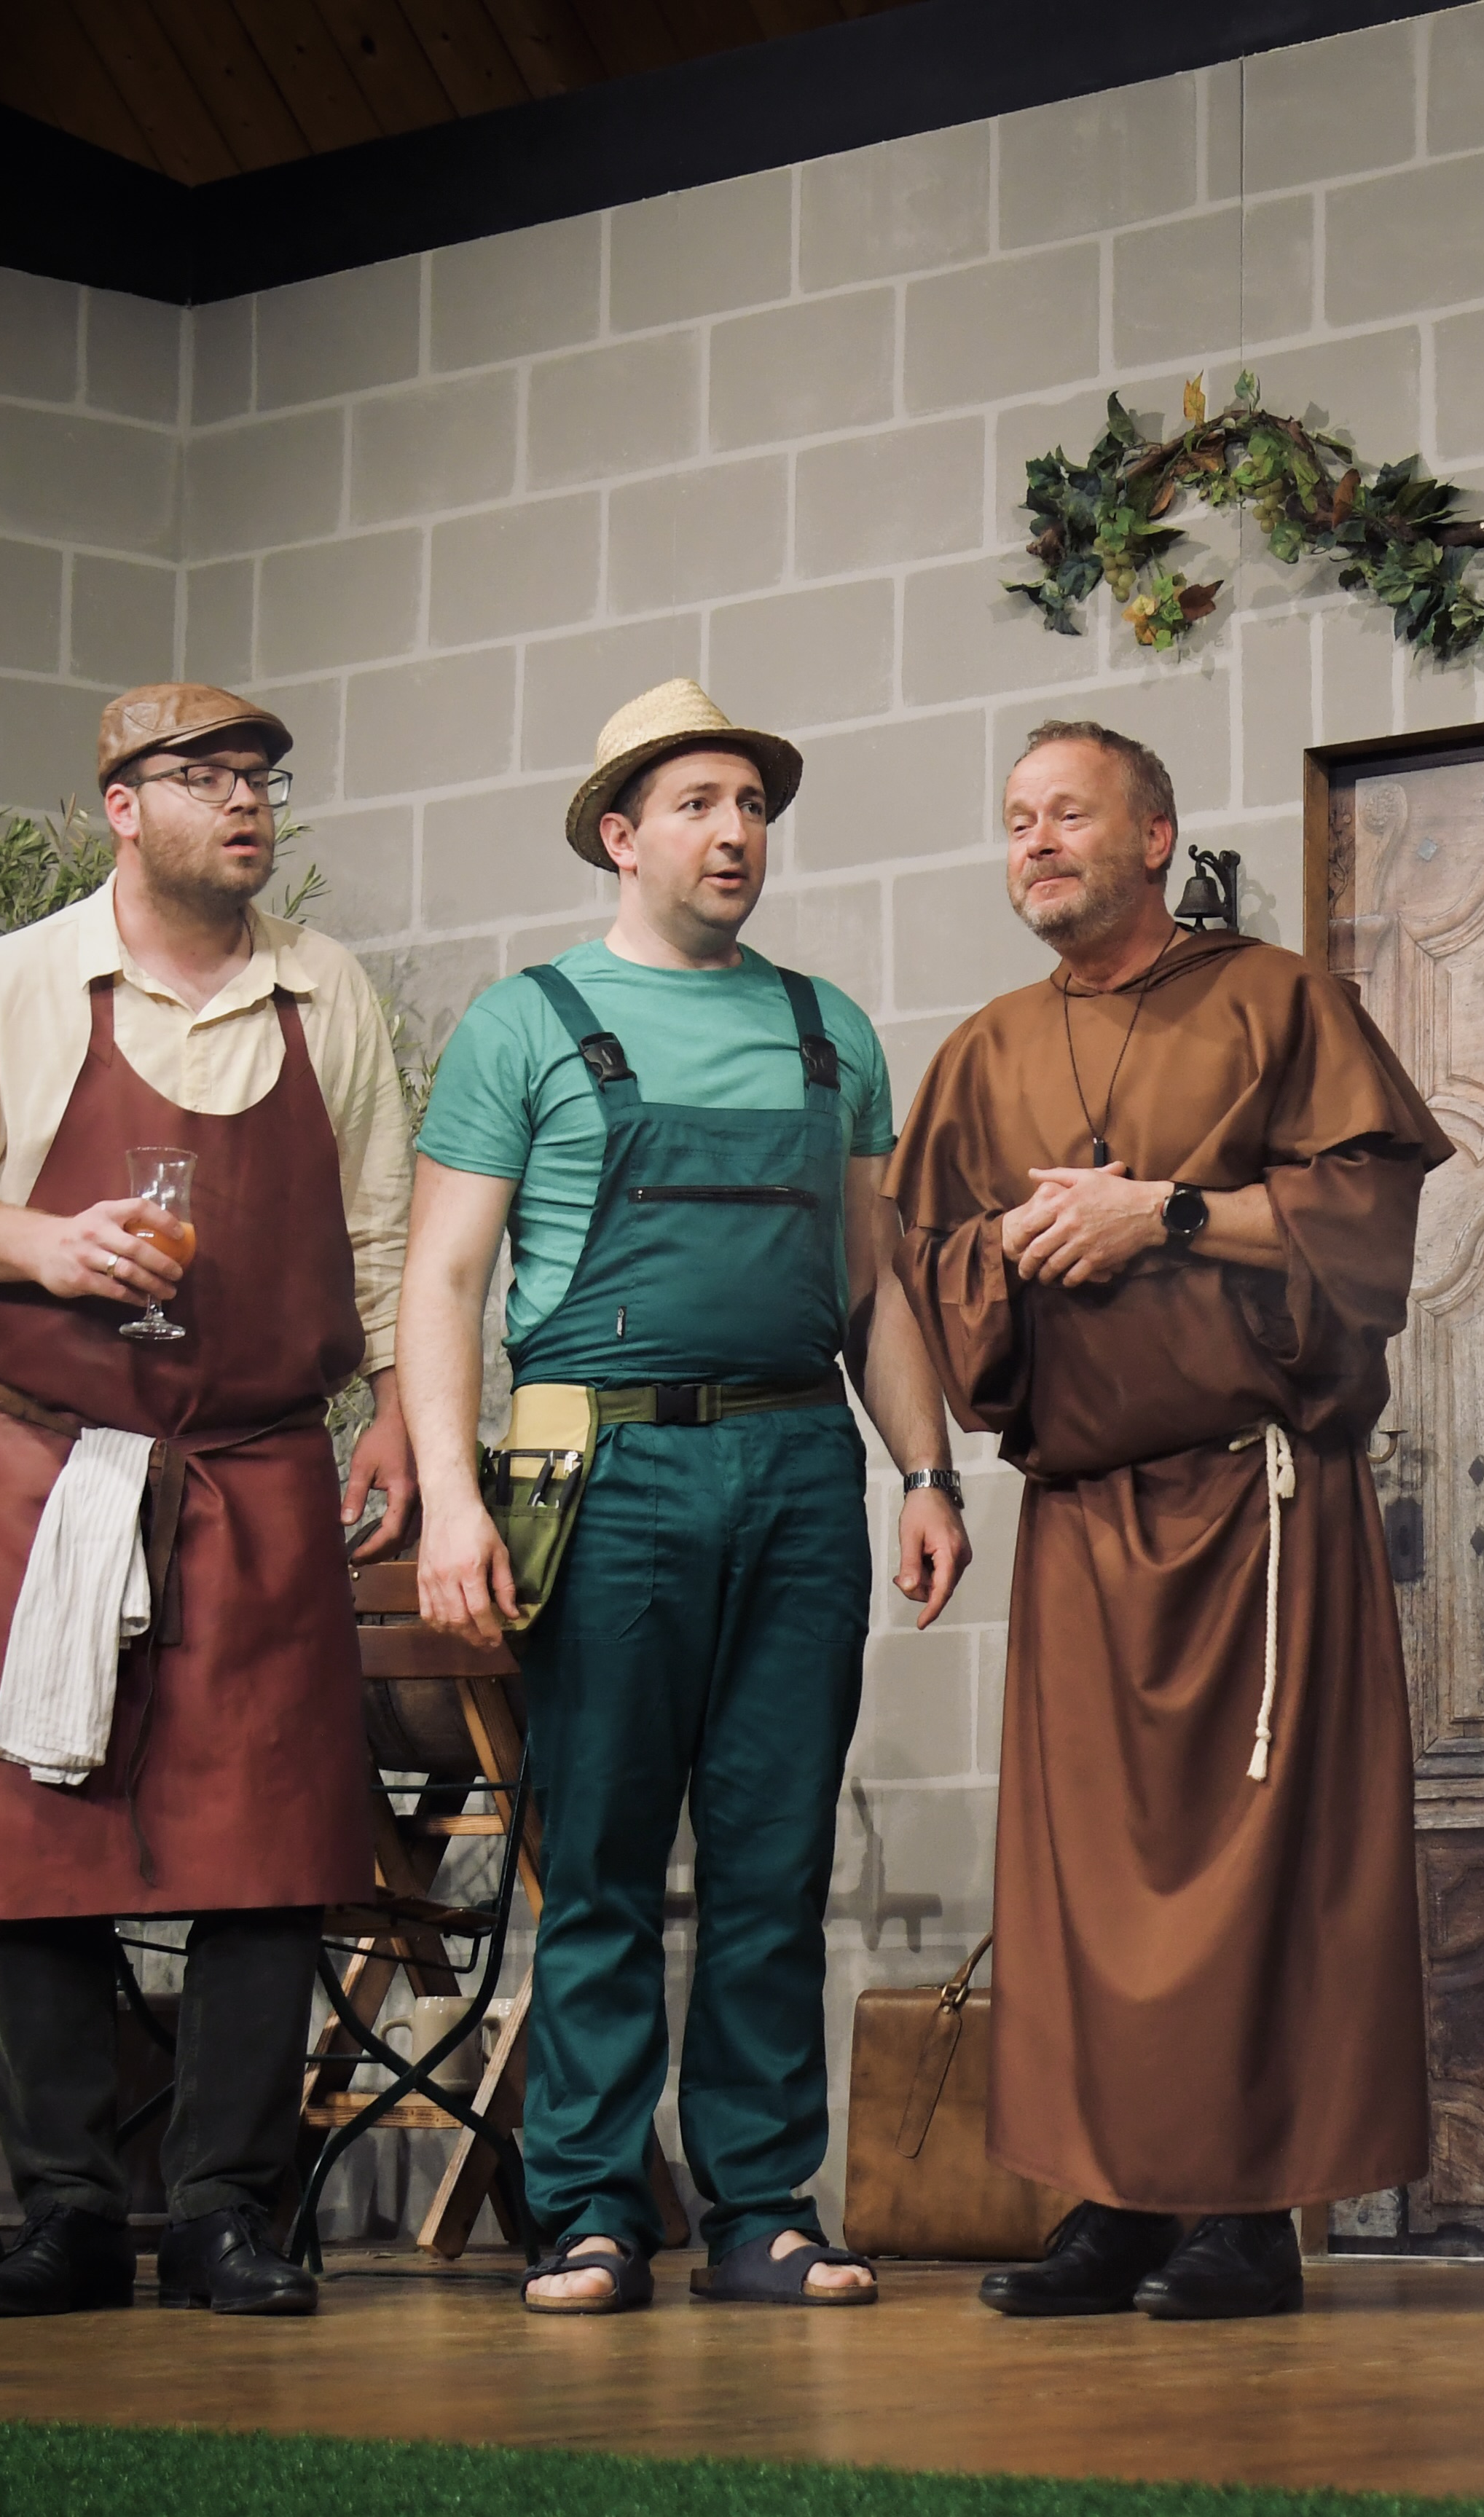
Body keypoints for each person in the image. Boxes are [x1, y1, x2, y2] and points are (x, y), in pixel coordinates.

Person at [0, 682, 420, 2318]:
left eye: (262, 780)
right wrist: (42, 1243)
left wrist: (401, 1418)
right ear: (121, 803)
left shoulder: (324, 992)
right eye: (206, 775)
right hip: (51, 1469)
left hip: (260, 1466)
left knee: (271, 1838)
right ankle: (71, 2214)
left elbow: (383, 1234)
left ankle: (231, 2208)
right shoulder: (12, 984)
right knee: (40, 1840)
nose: (245, 802)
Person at [405, 679, 968, 2314]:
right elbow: (443, 1282)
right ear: (619, 834)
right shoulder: (524, 1023)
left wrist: (926, 1471)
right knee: (597, 1855)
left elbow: (871, 1286)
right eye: (699, 805)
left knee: (772, 1856)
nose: (736, 834)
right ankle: (587, 2209)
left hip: (798, 1467)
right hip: (604, 1472)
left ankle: (761, 2213)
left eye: (754, 807)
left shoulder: (827, 1030)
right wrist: (453, 1501)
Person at [889, 722, 1446, 2322]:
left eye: (1067, 814)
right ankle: (1115, 2202)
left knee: (1261, 1871)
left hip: (1259, 1507)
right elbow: (924, 1270)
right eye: (1016, 820)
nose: (1034, 842)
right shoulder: (985, 1051)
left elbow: (1370, 1226)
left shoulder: (1276, 1004)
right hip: (1085, 1515)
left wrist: (1168, 1213)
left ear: (1153, 838)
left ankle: (1245, 2214)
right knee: (1085, 1883)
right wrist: (1014, 1244)